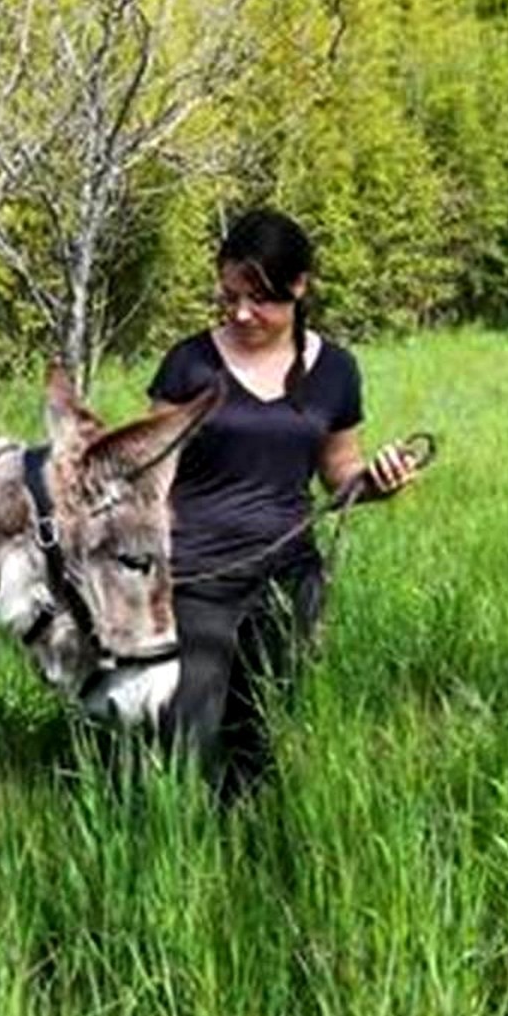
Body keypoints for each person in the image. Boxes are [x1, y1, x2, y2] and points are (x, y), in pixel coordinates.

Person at [147, 208, 417, 799]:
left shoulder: (337, 371)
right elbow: (148, 477)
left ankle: (245, 854)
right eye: (229, 296)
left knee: (261, 735)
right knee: (182, 737)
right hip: (196, 579)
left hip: (288, 583)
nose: (241, 313)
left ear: (299, 286)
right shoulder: (188, 363)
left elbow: (339, 471)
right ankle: (169, 852)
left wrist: (375, 480)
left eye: (259, 299)